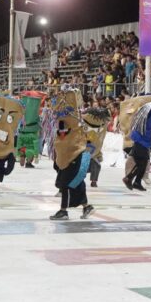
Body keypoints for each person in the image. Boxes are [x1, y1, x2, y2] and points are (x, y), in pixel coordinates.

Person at [49, 90, 95, 220]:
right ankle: (86, 206)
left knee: (66, 183)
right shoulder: (75, 122)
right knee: (76, 183)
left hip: (73, 156)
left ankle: (63, 211)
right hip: (74, 155)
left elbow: (64, 138)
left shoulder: (71, 123)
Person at [83, 107, 112, 187]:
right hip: (85, 148)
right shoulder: (85, 120)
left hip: (92, 149)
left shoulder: (103, 124)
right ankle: (88, 180)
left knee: (94, 165)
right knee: (87, 165)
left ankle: (93, 181)